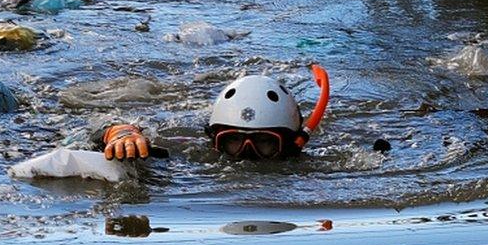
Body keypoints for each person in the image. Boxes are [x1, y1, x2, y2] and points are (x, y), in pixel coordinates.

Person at [101, 64, 330, 161]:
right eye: (232, 141)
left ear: (294, 144)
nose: (246, 155)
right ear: (213, 140)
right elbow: (93, 129)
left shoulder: (316, 168)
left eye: (264, 142)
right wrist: (122, 133)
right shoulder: (187, 151)